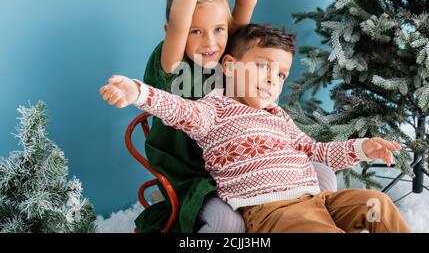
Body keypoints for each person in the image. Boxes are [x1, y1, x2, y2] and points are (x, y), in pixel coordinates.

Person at [100, 24, 411, 233]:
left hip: (317, 200)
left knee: (377, 204)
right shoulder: (214, 111)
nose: (272, 81)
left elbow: (316, 151)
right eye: (263, 67)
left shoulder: (278, 115)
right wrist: (137, 92)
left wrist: (362, 148)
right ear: (231, 67)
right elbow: (176, 108)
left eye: (281, 75)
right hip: (271, 211)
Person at [138, 0, 260, 232]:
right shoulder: (172, 62)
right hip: (188, 172)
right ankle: (183, 208)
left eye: (219, 29)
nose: (210, 42)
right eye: (197, 32)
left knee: (272, 204)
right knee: (229, 223)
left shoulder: (226, 51)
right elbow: (179, 24)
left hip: (227, 163)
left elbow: (244, 4)